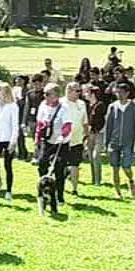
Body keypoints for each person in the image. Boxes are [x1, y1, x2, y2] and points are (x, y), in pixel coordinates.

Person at [34, 82, 71, 216]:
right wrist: (37, 139)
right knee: (42, 165)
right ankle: (44, 190)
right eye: (44, 94)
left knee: (59, 168)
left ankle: (59, 195)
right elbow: (39, 123)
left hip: (61, 142)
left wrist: (63, 135)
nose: (45, 96)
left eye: (48, 94)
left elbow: (67, 124)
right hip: (47, 140)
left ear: (56, 95)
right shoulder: (43, 105)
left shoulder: (63, 108)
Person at [103, 81, 135, 199]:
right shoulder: (112, 107)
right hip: (114, 143)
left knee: (126, 166)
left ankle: (131, 181)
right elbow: (109, 125)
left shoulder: (134, 108)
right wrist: (106, 142)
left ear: (127, 93)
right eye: (117, 92)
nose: (119, 95)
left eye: (121, 93)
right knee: (115, 168)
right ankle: (118, 191)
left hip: (127, 142)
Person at [62, 81, 88, 197]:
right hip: (63, 140)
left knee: (75, 164)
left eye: (80, 91)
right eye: (77, 91)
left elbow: (85, 121)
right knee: (61, 164)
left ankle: (74, 188)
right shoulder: (61, 103)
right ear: (69, 90)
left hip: (77, 139)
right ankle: (60, 185)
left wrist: (86, 137)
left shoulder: (81, 104)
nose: (79, 93)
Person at [84, 83, 108, 187]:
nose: (85, 94)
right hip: (90, 134)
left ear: (92, 94)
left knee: (96, 155)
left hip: (99, 133)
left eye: (87, 92)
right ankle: (93, 178)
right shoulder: (87, 106)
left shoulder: (100, 105)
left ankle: (98, 180)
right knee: (90, 156)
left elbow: (101, 121)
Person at [18, 73, 45, 161]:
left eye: (39, 84)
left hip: (42, 119)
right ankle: (36, 154)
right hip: (32, 119)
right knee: (35, 138)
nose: (37, 86)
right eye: (35, 84)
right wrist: (24, 121)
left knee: (42, 138)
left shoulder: (45, 93)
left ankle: (40, 155)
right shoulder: (30, 93)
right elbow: (27, 107)